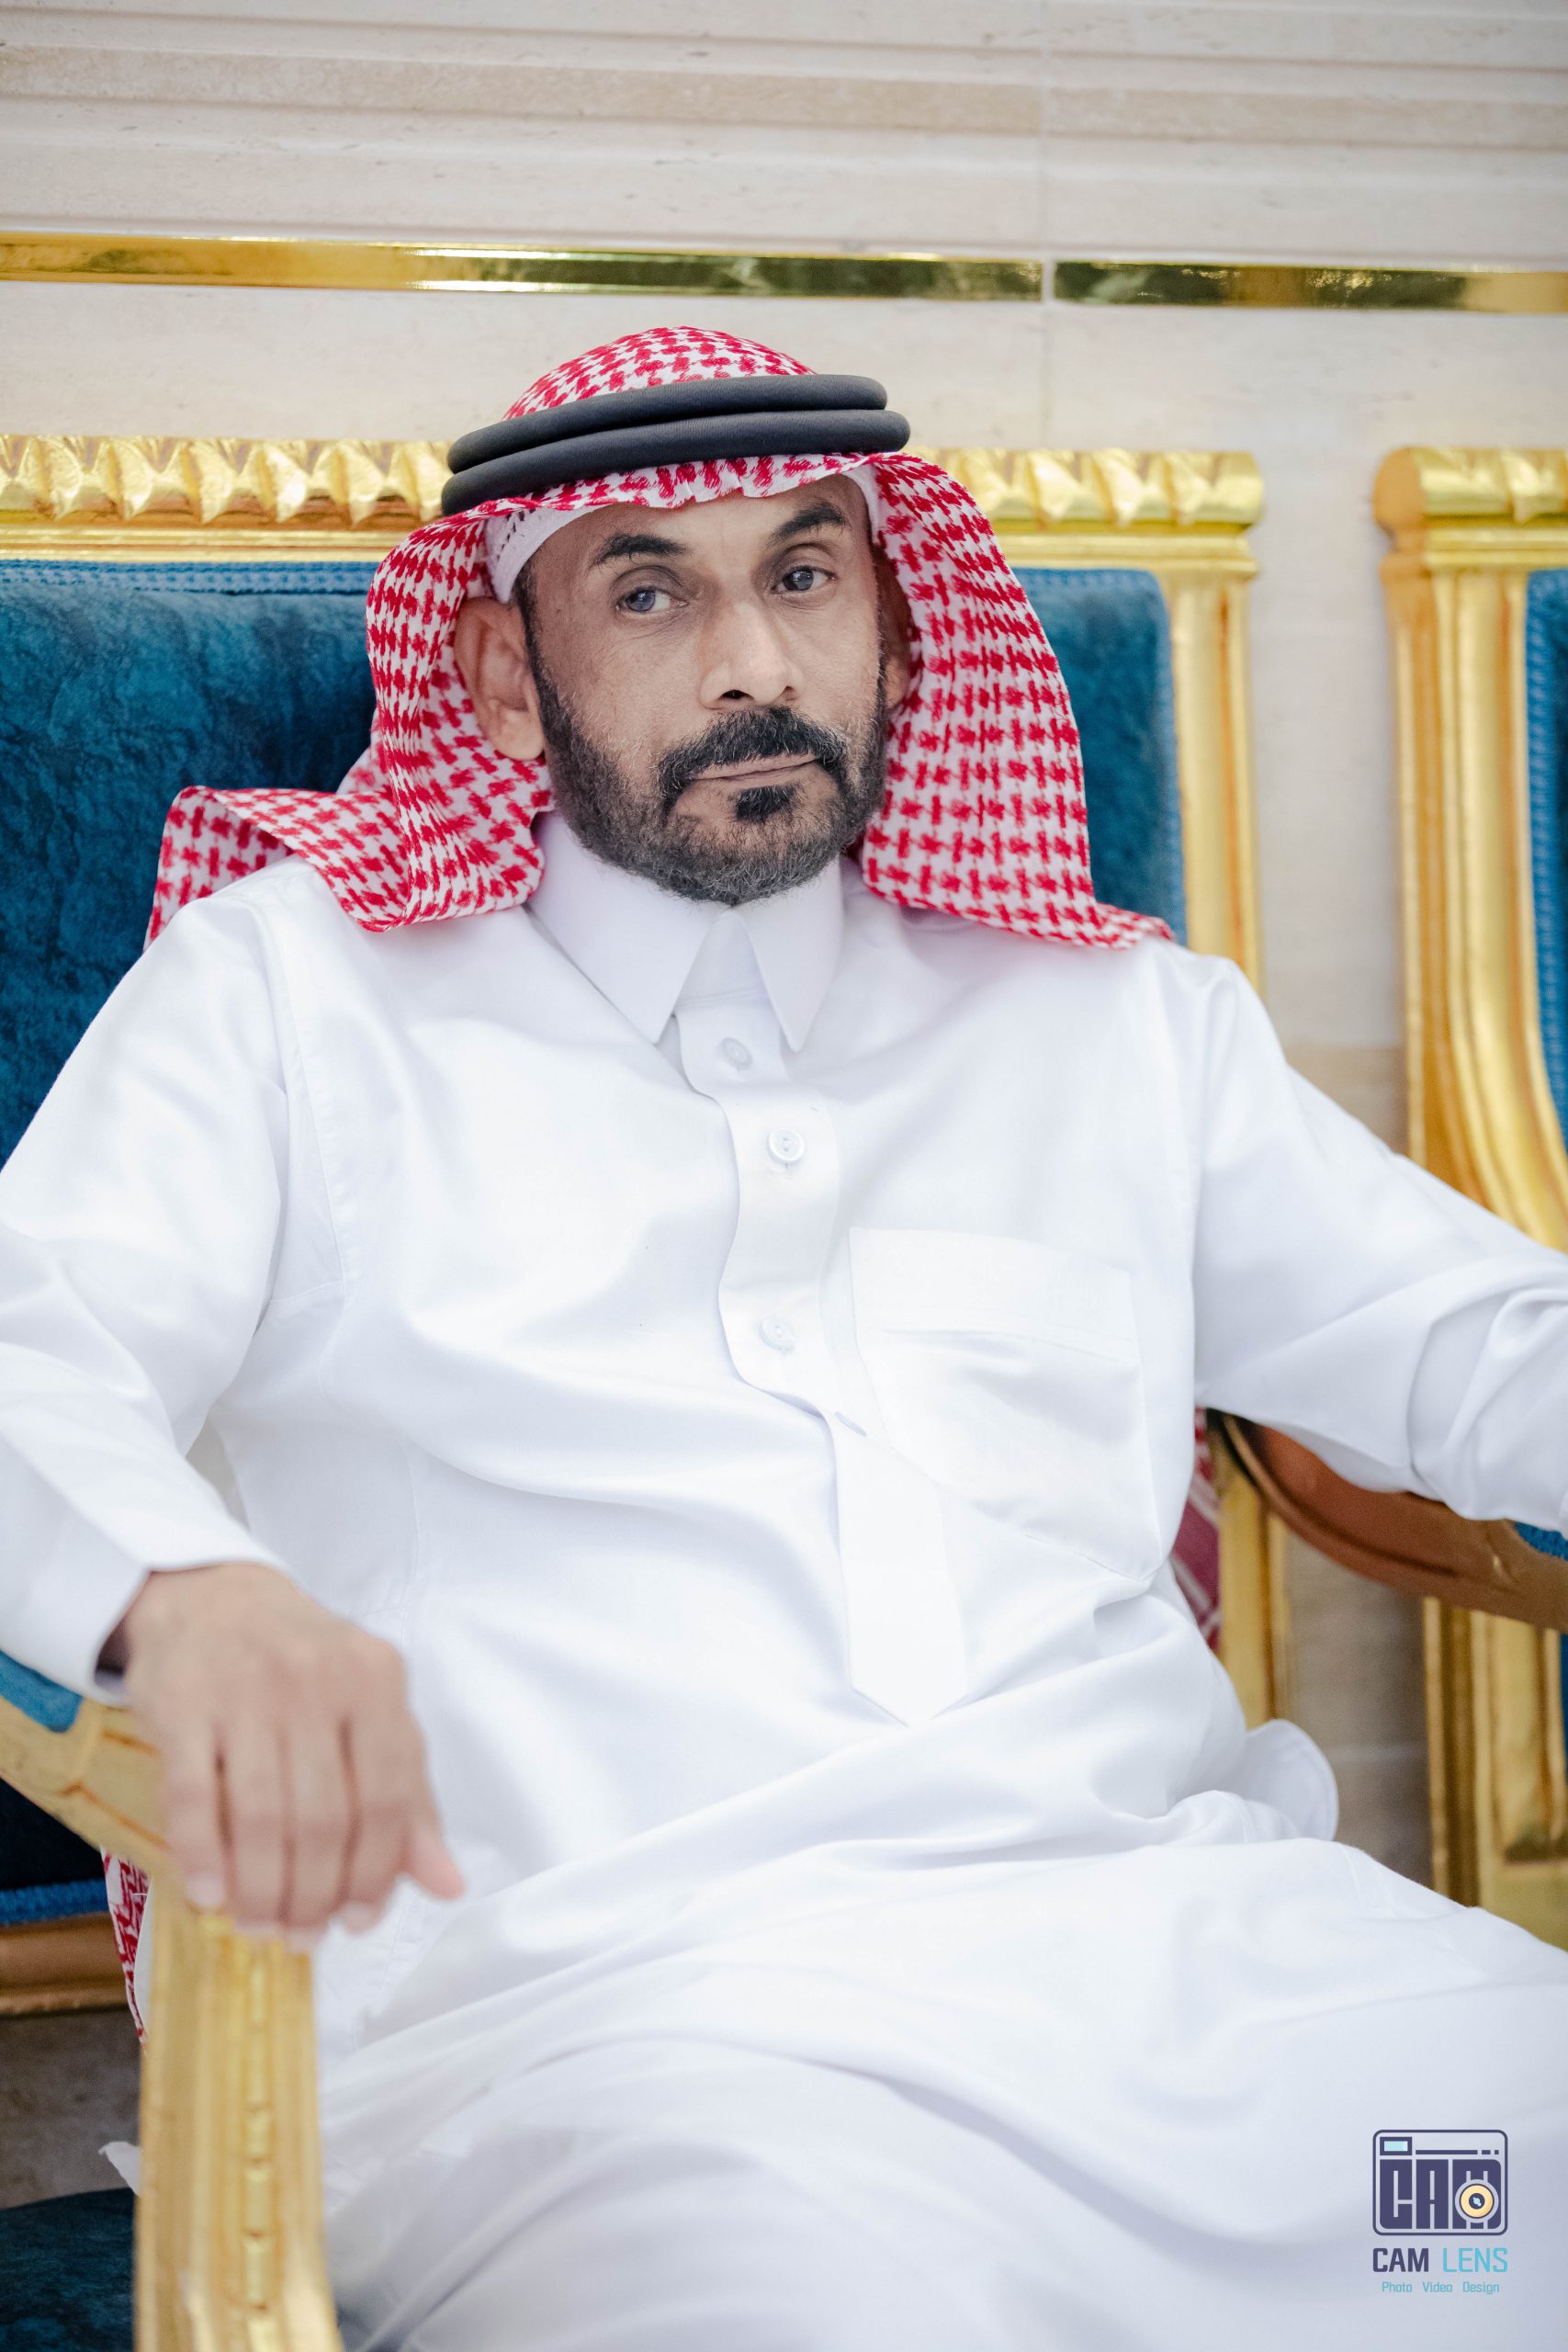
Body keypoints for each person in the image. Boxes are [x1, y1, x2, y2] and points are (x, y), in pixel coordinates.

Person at [2, 324, 1566, 2350]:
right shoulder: (294, 1000)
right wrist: (183, 1591)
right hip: (615, 2048)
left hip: (1198, 1981)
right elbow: (30, 1344)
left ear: (897, 627)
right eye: (651, 592)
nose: (752, 660)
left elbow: (1466, 1341)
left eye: (804, 574)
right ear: (503, 673)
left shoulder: (1111, 1023)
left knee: (1500, 2204)